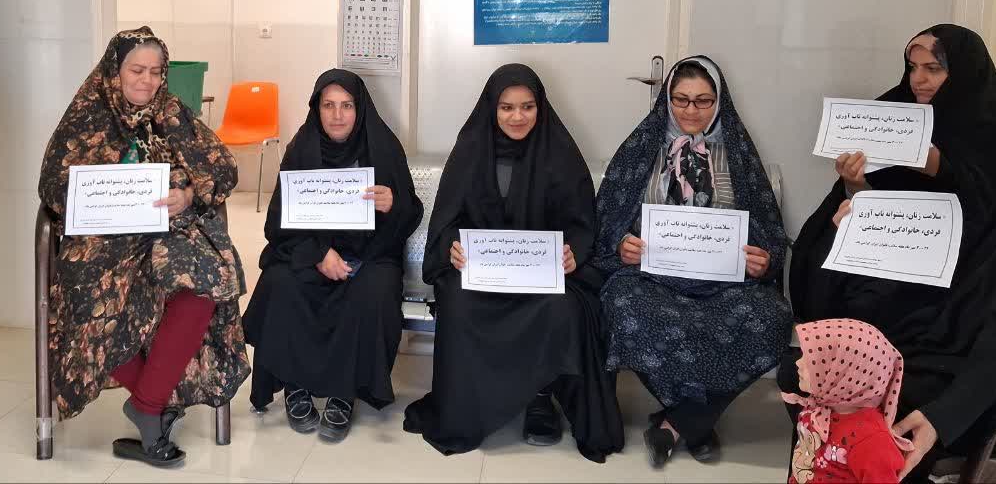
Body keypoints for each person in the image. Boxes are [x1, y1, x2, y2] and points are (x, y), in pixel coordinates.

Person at [786, 25, 996, 481]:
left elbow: (983, 203)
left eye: (933, 69)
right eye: (912, 67)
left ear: (963, 73)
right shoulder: (896, 114)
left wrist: (936, 163)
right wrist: (855, 187)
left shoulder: (990, 129)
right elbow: (874, 210)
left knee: (900, 406)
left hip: (958, 318)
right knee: (801, 373)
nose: (918, 80)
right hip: (887, 301)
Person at [38, 27, 248, 468]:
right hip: (102, 238)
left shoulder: (172, 112)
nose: (147, 80)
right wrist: (101, 196)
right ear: (115, 71)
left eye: (155, 72)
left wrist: (187, 194)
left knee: (204, 280)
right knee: (85, 300)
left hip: (170, 229)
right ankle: (154, 403)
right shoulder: (87, 115)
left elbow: (222, 168)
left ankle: (148, 406)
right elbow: (53, 187)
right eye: (136, 70)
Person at [403, 64, 623, 460]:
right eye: (507, 108)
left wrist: (573, 251)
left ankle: (540, 396)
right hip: (481, 274)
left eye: (527, 107)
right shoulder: (470, 152)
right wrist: (453, 247)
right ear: (492, 109)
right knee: (458, 302)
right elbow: (447, 223)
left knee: (563, 308)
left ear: (541, 108)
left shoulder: (560, 154)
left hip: (542, 276)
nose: (517, 117)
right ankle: (470, 404)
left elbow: (581, 223)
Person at [593, 56, 791, 469]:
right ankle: (698, 424)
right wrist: (621, 244)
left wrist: (765, 260)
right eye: (680, 99)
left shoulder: (737, 154)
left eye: (703, 100)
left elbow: (769, 229)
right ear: (667, 99)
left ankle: (680, 423)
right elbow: (607, 216)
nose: (691, 110)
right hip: (651, 278)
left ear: (720, 103)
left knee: (770, 317)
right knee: (623, 306)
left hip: (727, 282)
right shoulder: (642, 148)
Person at [243, 69, 423, 441]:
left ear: (360, 109)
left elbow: (411, 213)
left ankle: (345, 390)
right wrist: (318, 253)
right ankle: (294, 384)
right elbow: (277, 223)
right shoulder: (301, 149)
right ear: (317, 108)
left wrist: (393, 203)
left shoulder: (383, 147)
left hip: (371, 253)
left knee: (374, 290)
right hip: (309, 249)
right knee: (281, 281)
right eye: (328, 105)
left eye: (346, 106)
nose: (337, 115)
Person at [781, 319, 911, 484]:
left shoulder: (871, 442)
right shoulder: (819, 405)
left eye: (811, 361)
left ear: (843, 377)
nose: (798, 363)